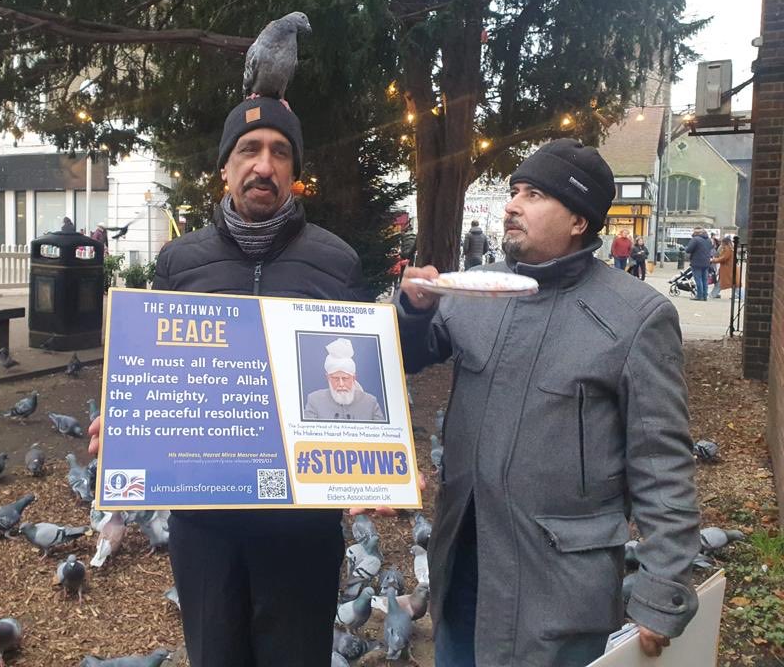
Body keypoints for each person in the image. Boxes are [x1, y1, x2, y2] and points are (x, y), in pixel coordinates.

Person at [397, 138, 699, 667]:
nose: (512, 205)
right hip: (464, 567)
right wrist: (414, 310)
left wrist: (663, 587)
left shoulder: (635, 317)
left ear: (579, 220)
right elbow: (411, 354)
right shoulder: (476, 291)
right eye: (515, 191)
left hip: (558, 590)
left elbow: (662, 465)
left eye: (533, 195)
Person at [87, 96, 367, 667]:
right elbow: (156, 374)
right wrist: (125, 428)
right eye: (248, 150)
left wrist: (372, 463)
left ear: (294, 170)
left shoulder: (336, 263)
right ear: (225, 167)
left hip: (302, 528)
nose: (264, 165)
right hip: (204, 527)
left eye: (280, 152)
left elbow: (359, 375)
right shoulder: (178, 262)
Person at [302, 337, 385, 422]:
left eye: (345, 378)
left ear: (353, 378)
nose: (341, 384)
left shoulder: (370, 402)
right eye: (336, 379)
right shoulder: (315, 400)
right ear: (328, 378)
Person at [683, 227, 714, 301]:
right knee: (705, 280)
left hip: (696, 262)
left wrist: (686, 248)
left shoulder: (695, 239)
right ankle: (705, 296)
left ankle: (699, 296)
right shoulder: (709, 240)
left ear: (696, 233)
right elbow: (710, 248)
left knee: (698, 279)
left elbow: (688, 250)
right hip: (706, 262)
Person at [710, 234, 734, 299]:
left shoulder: (727, 249)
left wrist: (713, 260)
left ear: (724, 242)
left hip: (727, 268)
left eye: (722, 242)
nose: (721, 244)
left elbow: (723, 258)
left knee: (721, 282)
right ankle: (713, 294)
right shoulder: (729, 248)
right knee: (733, 282)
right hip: (728, 268)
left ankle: (713, 294)